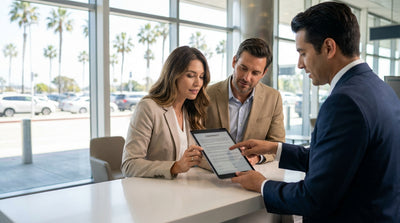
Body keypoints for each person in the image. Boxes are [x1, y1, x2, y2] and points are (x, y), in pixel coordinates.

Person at [230, 2, 400, 222]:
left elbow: (313, 198)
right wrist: (275, 148)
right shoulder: (380, 89)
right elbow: (336, 161)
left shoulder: (344, 101)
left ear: (329, 48)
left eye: (303, 53)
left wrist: (261, 184)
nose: (300, 64)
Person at [121, 46, 210, 179]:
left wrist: (236, 162)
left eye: (201, 77)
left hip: (183, 190)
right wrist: (175, 167)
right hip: (154, 192)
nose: (198, 83)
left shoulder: (191, 110)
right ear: (174, 74)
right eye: (190, 75)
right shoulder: (148, 107)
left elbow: (196, 159)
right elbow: (129, 164)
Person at [206, 38, 285, 165]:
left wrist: (257, 158)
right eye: (243, 68)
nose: (246, 77)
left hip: (253, 173)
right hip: (210, 172)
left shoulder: (273, 98)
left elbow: (277, 143)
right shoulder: (207, 94)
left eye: (255, 73)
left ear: (264, 73)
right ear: (234, 62)